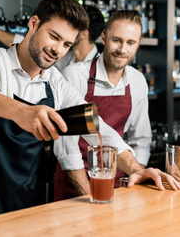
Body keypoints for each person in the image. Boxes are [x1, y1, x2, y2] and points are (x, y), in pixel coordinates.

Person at [0, 0, 180, 225]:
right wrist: (21, 111)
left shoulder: (56, 84)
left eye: (67, 44)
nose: (58, 50)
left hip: (22, 202)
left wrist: (137, 168)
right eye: (54, 37)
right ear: (34, 23)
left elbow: (98, 128)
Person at [54, 10, 156, 201]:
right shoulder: (74, 76)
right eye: (116, 40)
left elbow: (141, 140)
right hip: (75, 185)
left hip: (118, 184)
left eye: (130, 42)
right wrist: (90, 194)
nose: (122, 49)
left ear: (138, 44)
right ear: (103, 37)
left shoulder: (137, 80)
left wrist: (136, 175)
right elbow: (66, 147)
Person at [0, 4, 105, 71]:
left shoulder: (98, 69)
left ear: (83, 35)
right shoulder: (66, 58)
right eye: (54, 36)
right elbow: (27, 43)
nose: (57, 49)